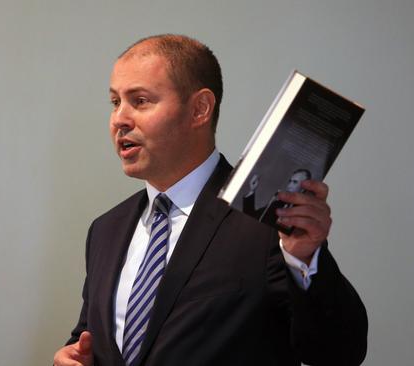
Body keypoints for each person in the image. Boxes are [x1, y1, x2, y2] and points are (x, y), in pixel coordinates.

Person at [53, 34, 367, 366]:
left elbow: (338, 352)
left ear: (200, 109)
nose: (120, 119)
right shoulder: (105, 230)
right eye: (116, 102)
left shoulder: (266, 224)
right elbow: (90, 336)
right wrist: (72, 355)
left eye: (141, 100)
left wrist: (304, 258)